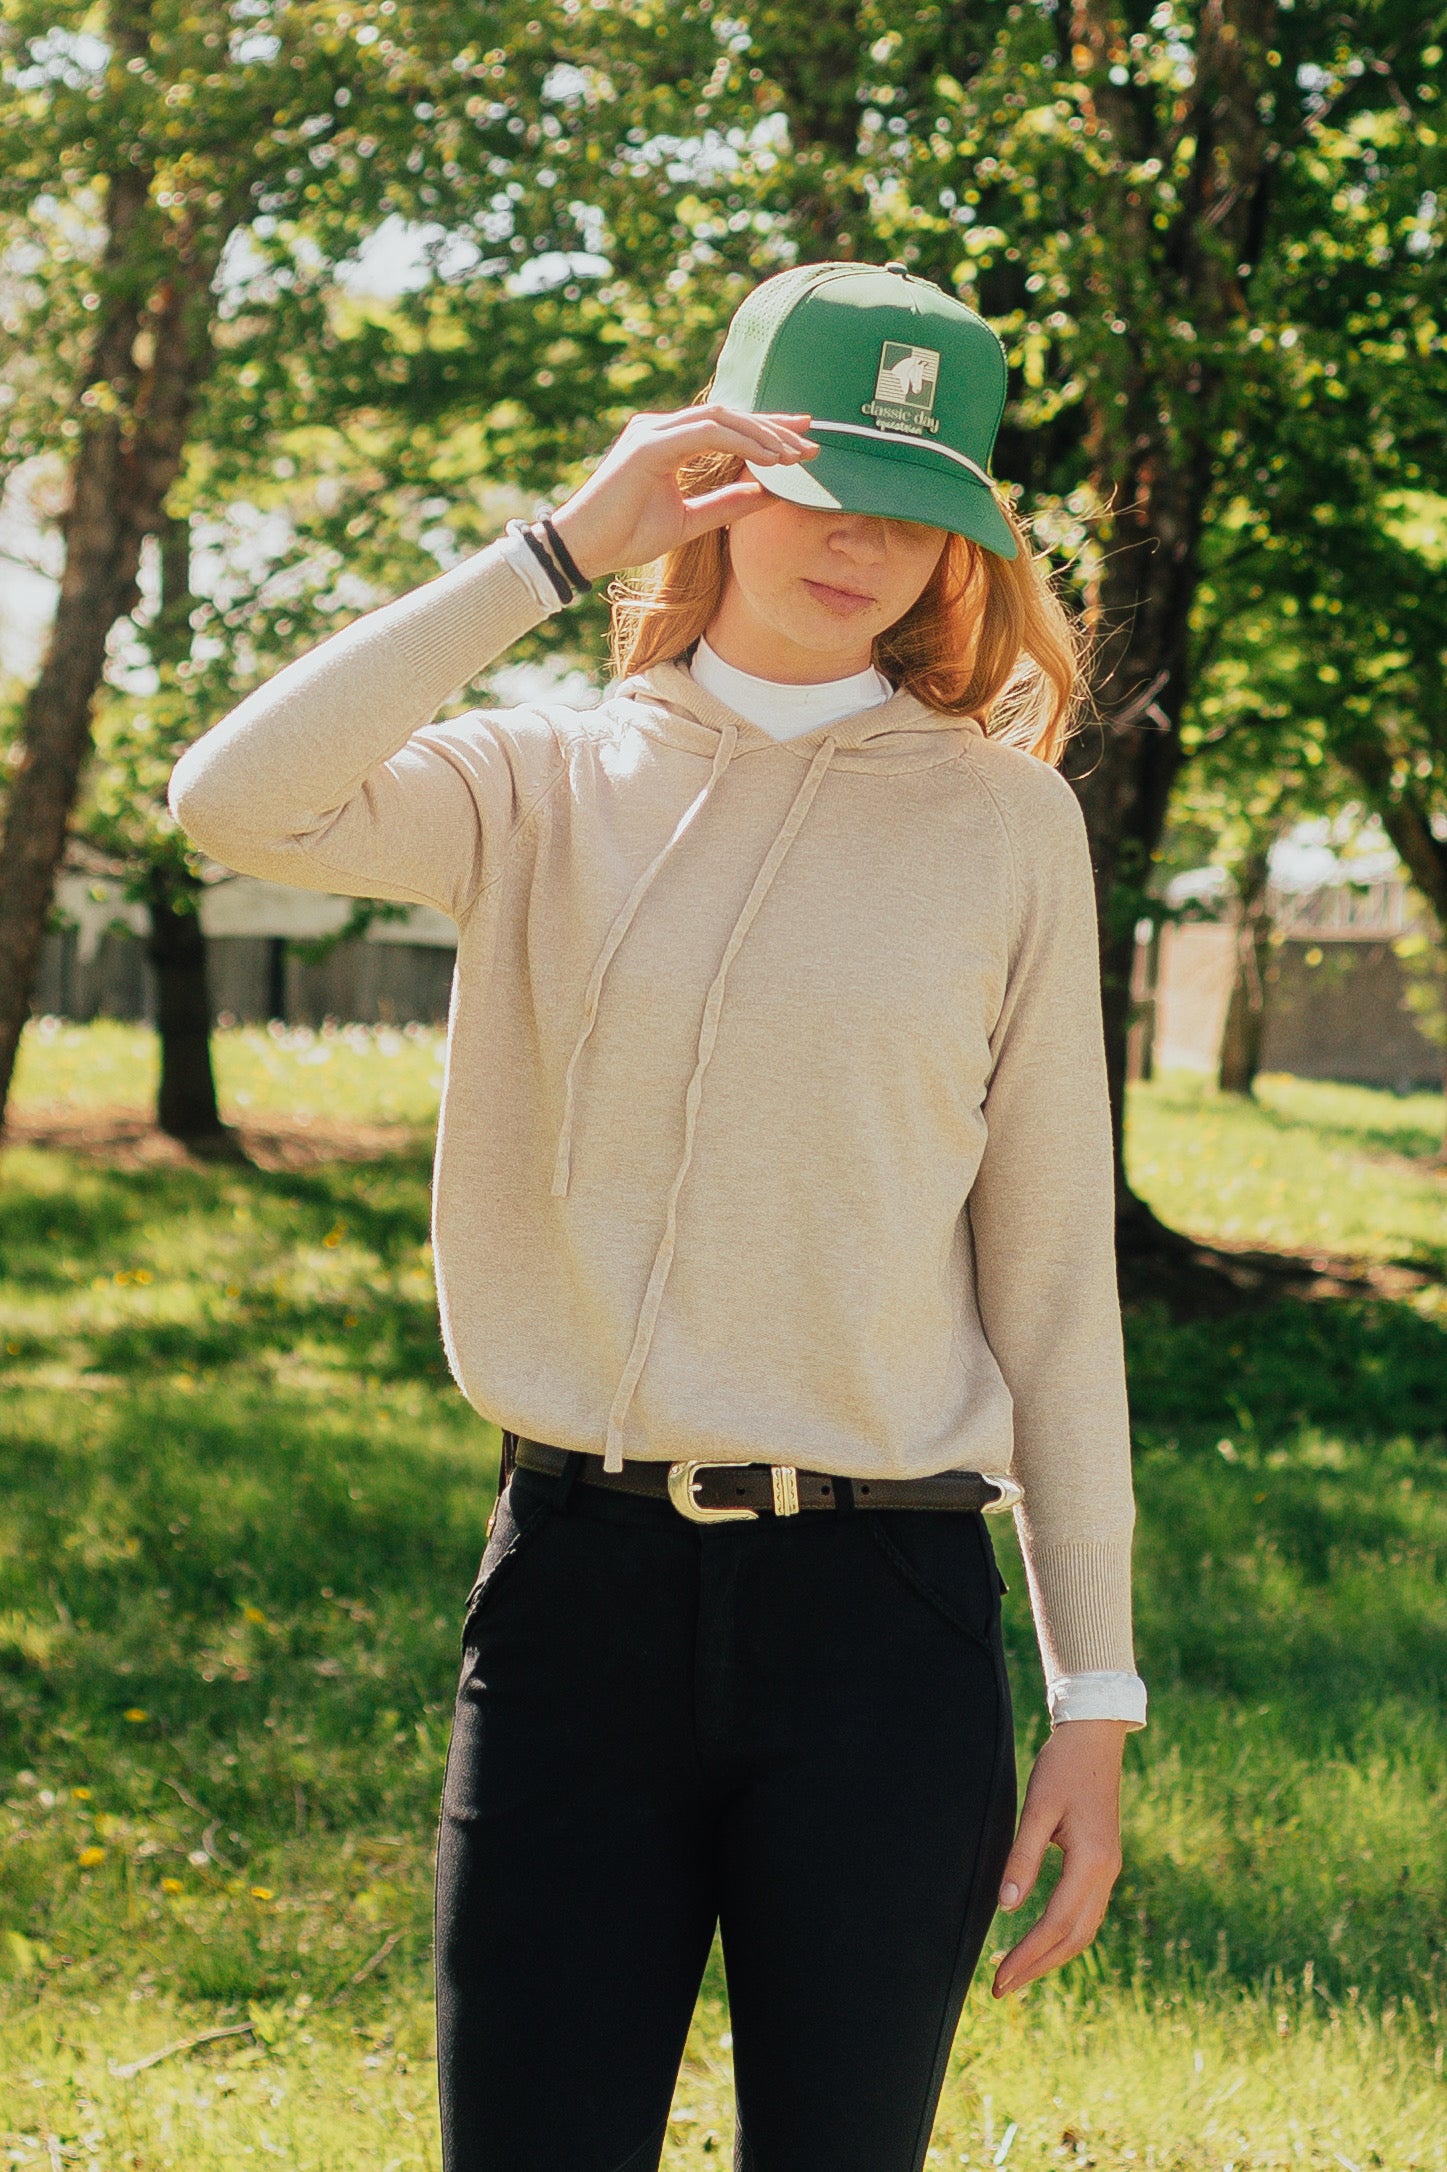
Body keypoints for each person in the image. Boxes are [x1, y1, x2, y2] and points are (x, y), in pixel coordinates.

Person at [169, 259, 1147, 2172]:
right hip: (580, 1599)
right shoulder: (534, 782)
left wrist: (1092, 1696)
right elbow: (232, 796)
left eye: (917, 501)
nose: (861, 536)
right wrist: (551, 547)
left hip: (888, 1616)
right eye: (814, 475)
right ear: (711, 476)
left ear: (963, 541)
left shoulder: (1006, 826)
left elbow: (1050, 1284)